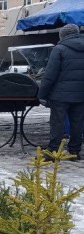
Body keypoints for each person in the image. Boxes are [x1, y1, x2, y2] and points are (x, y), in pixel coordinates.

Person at [38, 24, 84, 161]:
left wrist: (42, 93)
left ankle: (52, 152)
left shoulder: (59, 49)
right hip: (81, 94)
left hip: (60, 95)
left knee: (57, 123)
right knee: (78, 123)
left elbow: (50, 75)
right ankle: (75, 152)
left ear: (62, 35)